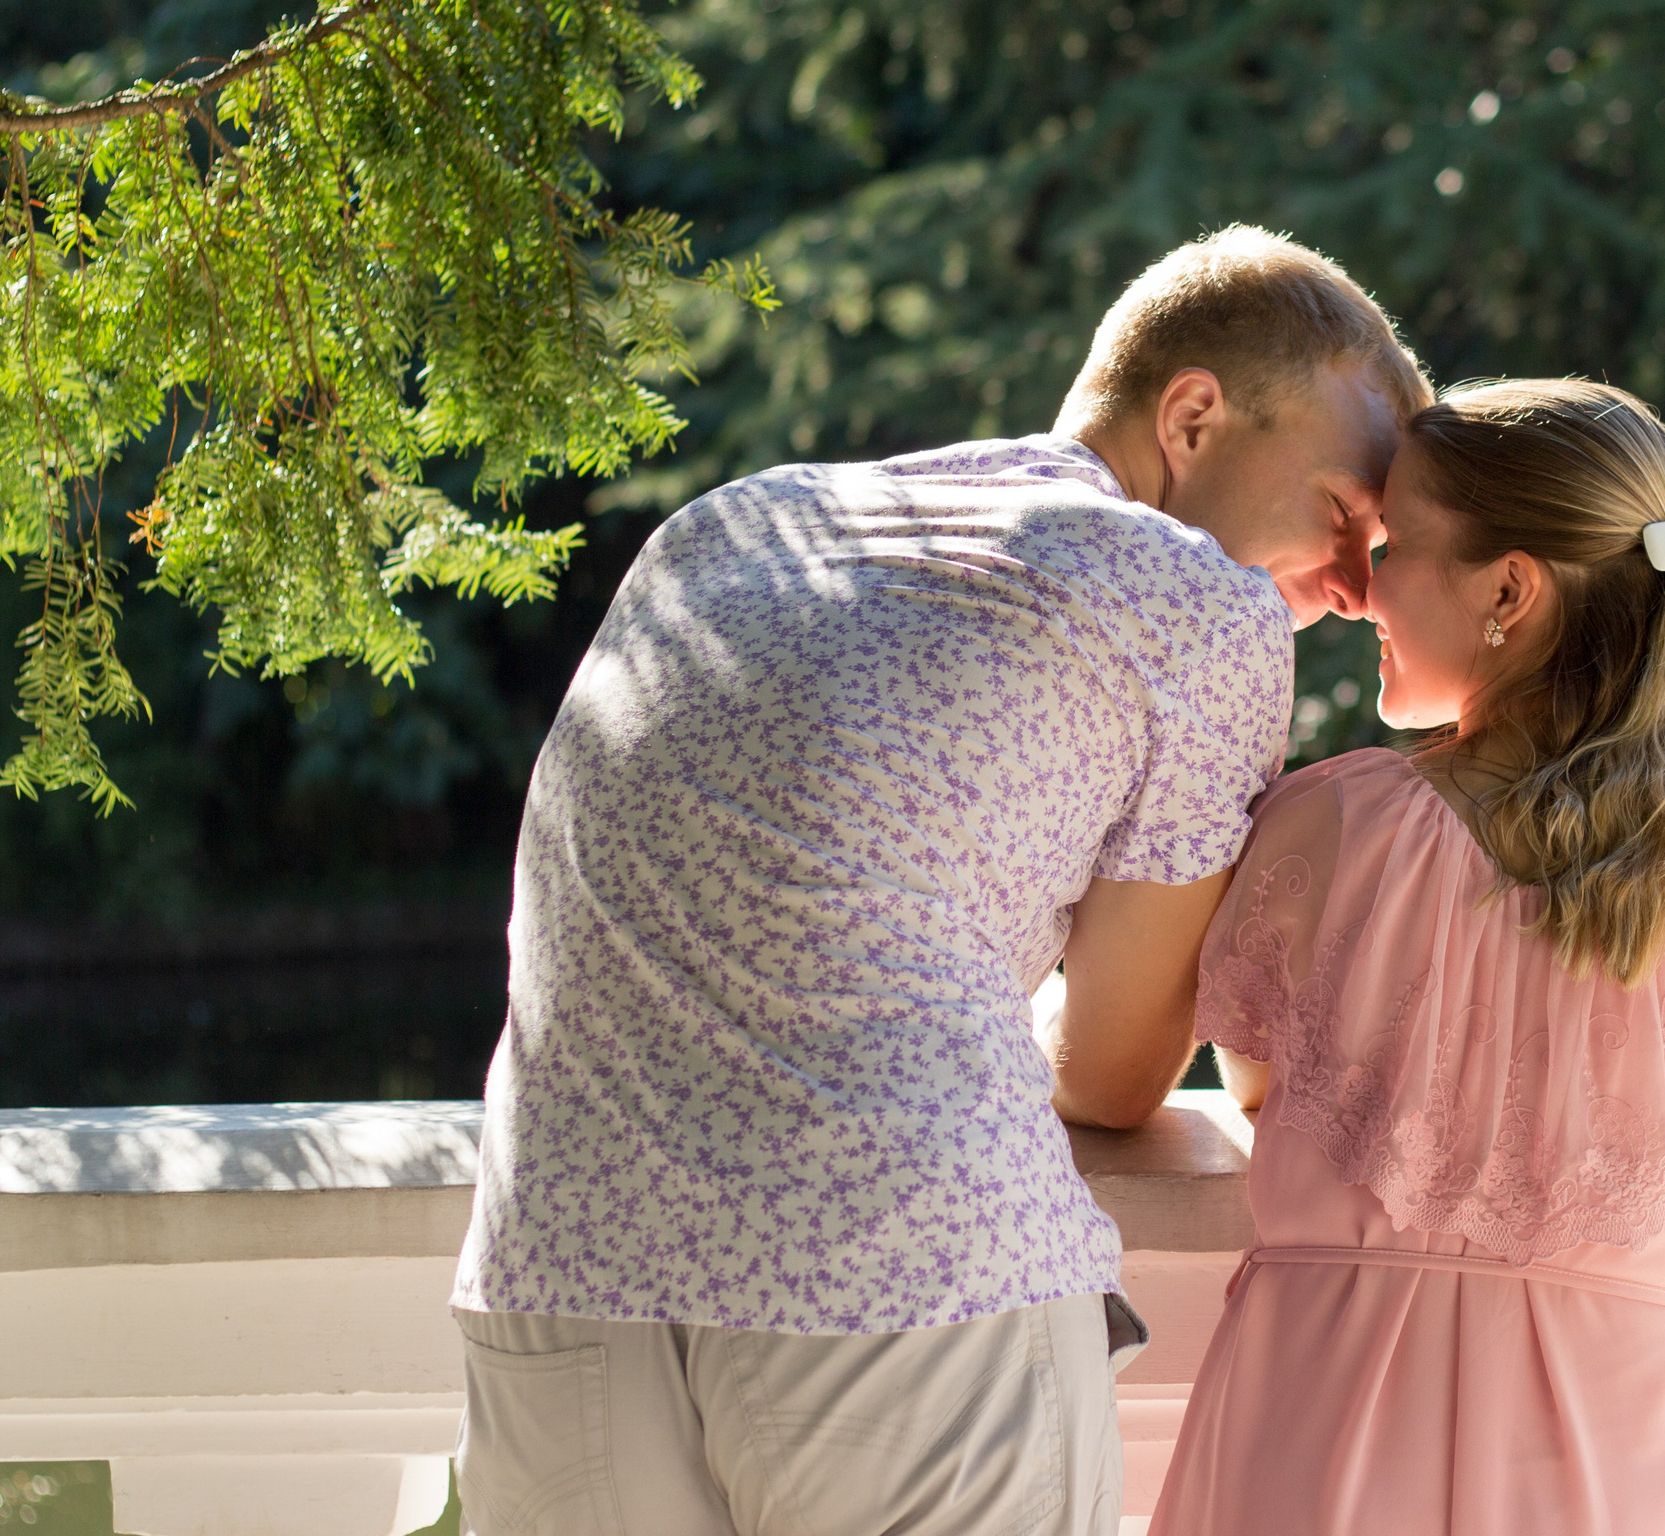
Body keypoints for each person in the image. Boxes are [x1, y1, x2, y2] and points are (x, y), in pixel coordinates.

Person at [448, 225, 1427, 1536]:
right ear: (1192, 413)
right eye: (1348, 513)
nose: (1368, 588)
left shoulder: (732, 525)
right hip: (897, 1286)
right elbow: (1117, 1072)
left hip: (555, 1276)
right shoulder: (1200, 600)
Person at [1152, 380, 1665, 1536]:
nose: (1358, 592)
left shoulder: (1335, 826)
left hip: (1332, 1428)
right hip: (1612, 1456)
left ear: (1509, 587)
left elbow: (1266, 1093)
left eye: (1394, 548)